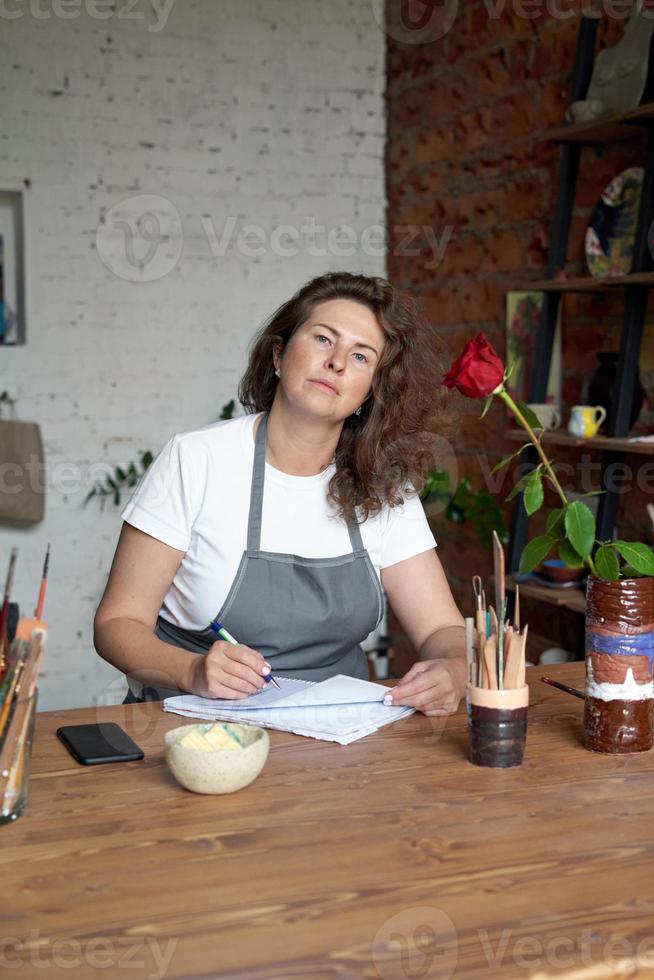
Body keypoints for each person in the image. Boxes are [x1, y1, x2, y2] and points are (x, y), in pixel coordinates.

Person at [94, 272, 467, 717]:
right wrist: (191, 670)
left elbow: (442, 627)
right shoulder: (195, 461)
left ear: (372, 391)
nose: (338, 363)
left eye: (362, 356)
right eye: (324, 339)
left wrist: (455, 670)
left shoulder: (385, 486)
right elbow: (117, 624)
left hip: (338, 738)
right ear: (278, 352)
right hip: (197, 733)